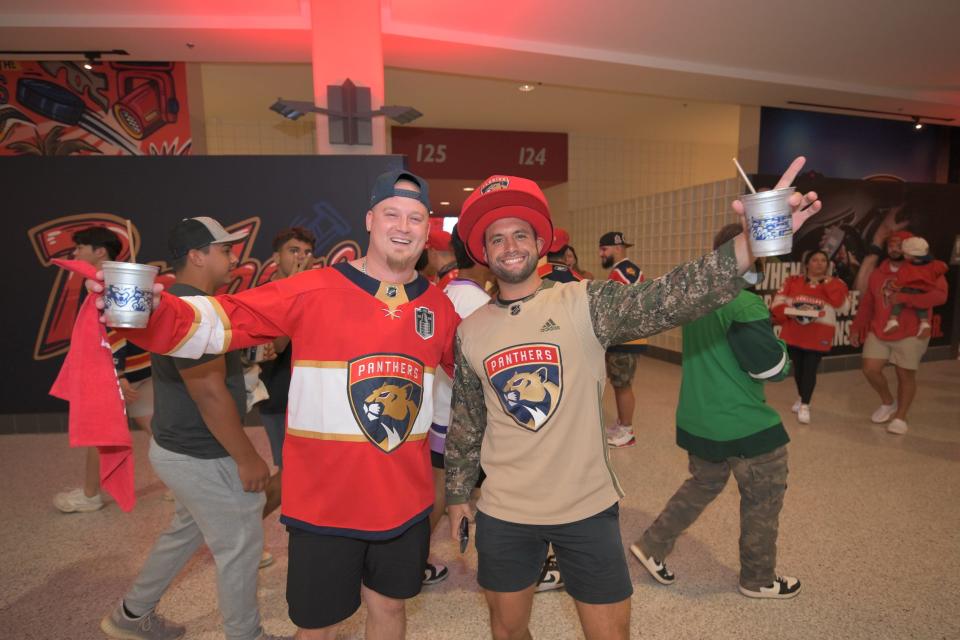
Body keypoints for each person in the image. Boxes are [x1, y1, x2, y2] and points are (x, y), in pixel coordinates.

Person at [445, 160, 821, 640]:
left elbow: (671, 295)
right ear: (483, 251)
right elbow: (467, 419)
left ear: (540, 244)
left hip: (586, 507)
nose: (510, 246)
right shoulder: (471, 330)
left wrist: (752, 241)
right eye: (497, 238)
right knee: (507, 630)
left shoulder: (586, 302)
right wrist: (457, 494)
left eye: (520, 234)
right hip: (505, 512)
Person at [92, 171, 459, 640]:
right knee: (318, 626)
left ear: (426, 230)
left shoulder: (439, 307)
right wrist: (142, 308)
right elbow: (219, 322)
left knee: (389, 610)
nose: (403, 226)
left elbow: (475, 371)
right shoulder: (312, 289)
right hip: (325, 506)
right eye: (392, 214)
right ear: (370, 219)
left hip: (403, 501)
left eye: (415, 217)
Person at [100, 216, 279, 640]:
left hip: (180, 447)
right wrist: (248, 457)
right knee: (240, 544)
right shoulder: (193, 309)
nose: (233, 257)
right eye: (224, 249)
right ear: (197, 256)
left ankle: (131, 614)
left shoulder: (183, 303)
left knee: (185, 531)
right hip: (201, 453)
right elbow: (209, 393)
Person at [631, 223, 801, 601]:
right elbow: (769, 369)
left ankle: (653, 543)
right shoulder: (743, 302)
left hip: (700, 418)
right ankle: (759, 579)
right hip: (743, 423)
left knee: (704, 482)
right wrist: (785, 350)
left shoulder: (699, 299)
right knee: (763, 496)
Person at [54, 225, 156, 514]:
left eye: (80, 247)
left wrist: (118, 374)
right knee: (152, 425)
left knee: (101, 432)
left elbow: (116, 332)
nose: (76, 253)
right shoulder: (112, 279)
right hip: (141, 366)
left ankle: (90, 495)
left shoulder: (109, 282)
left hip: (121, 371)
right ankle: (185, 485)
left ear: (99, 252)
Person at [425, 224, 491, 586]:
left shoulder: (444, 292)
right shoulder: (479, 303)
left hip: (439, 413)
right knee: (500, 493)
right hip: (468, 420)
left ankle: (412, 561)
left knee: (437, 493)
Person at [850, 230, 948, 435]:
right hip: (880, 329)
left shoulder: (927, 269)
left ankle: (901, 417)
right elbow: (869, 302)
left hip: (912, 332)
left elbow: (940, 297)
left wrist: (907, 299)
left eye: (899, 244)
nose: (894, 248)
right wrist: (857, 326)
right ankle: (888, 402)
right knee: (870, 369)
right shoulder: (879, 273)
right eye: (891, 244)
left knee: (904, 374)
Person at [771, 249, 849, 424]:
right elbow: (777, 304)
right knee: (799, 369)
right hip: (794, 334)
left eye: (823, 260)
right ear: (807, 263)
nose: (819, 263)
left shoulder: (837, 283)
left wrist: (827, 284)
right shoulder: (793, 281)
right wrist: (791, 312)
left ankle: (805, 404)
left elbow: (842, 307)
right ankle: (802, 396)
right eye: (815, 259)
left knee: (810, 369)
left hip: (818, 336)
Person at [598, 231, 645, 448]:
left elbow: (630, 301)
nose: (601, 254)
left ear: (618, 248)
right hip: (620, 338)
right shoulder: (620, 271)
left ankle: (627, 431)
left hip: (626, 338)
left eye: (604, 249)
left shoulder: (627, 272)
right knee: (618, 384)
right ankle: (621, 423)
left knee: (623, 385)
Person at [883, 236, 947, 339]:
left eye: (905, 253)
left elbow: (900, 282)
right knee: (921, 307)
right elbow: (943, 267)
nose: (903, 254)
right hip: (922, 290)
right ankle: (924, 322)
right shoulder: (934, 265)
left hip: (908, 290)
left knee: (898, 302)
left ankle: (893, 320)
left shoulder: (907, 267)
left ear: (912, 255)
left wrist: (894, 286)